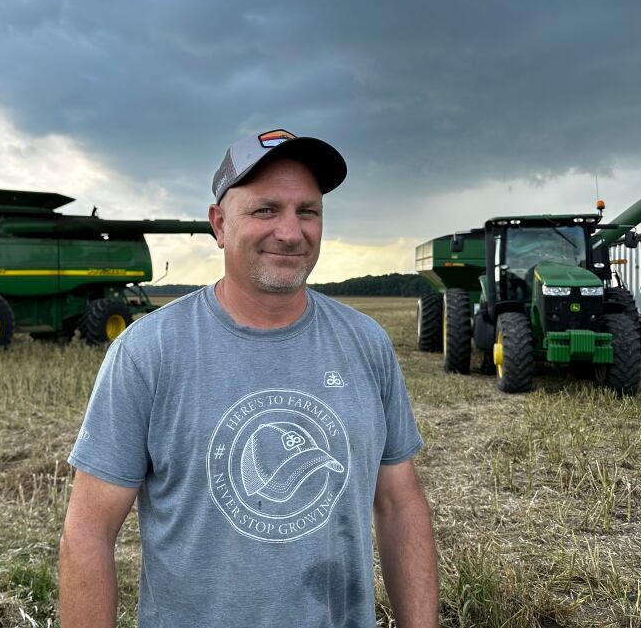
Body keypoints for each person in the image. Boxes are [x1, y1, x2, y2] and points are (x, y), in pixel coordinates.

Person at [59, 129, 438, 628]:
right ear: (219, 224)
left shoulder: (365, 344)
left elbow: (398, 504)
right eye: (266, 210)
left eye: (308, 211)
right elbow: (88, 531)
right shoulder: (148, 352)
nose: (290, 231)